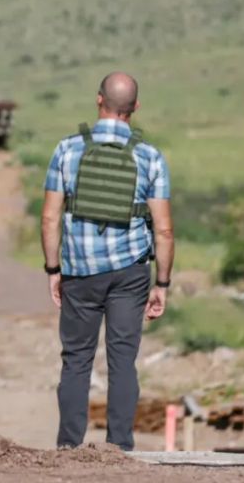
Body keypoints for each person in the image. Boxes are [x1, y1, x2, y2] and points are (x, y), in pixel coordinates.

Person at [40, 72, 174, 451]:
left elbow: (50, 217)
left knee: (77, 361)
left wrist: (54, 270)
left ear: (99, 100)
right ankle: (119, 447)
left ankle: (68, 447)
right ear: (135, 108)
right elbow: (163, 231)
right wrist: (161, 284)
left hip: (80, 273)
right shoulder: (150, 157)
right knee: (122, 360)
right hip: (130, 273)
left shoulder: (67, 150)